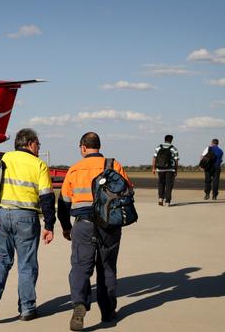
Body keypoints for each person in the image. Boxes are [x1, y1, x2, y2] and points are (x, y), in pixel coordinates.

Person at [59, 132, 132, 331]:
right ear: (99, 146)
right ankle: (108, 311)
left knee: (81, 267)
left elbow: (63, 202)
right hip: (109, 225)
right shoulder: (113, 165)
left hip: (83, 224)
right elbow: (128, 192)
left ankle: (79, 305)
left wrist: (66, 227)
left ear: (83, 147)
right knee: (107, 267)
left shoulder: (74, 169)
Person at [0, 128, 55, 322]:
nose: (39, 148)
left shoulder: (0, 158)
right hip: (26, 217)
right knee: (26, 264)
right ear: (30, 144)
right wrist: (49, 225)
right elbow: (47, 198)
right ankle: (27, 308)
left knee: (0, 258)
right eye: (38, 144)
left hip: (0, 215)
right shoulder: (38, 164)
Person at [151, 134, 179, 207]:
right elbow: (176, 161)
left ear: (164, 139)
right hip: (170, 169)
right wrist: (176, 170)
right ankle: (167, 202)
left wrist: (153, 168)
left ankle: (160, 198)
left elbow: (154, 158)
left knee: (161, 184)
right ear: (171, 140)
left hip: (160, 169)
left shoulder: (158, 147)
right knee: (169, 185)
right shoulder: (173, 148)